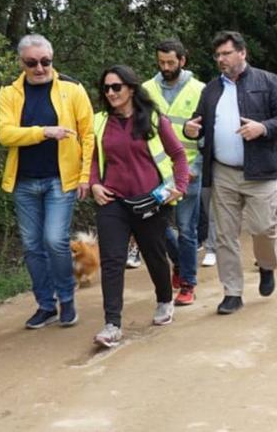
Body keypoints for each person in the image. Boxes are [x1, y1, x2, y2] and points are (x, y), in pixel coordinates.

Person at [183, 31, 277, 315]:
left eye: (226, 54)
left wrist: (263, 128)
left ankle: (267, 266)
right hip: (223, 173)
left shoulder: (268, 81)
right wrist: (190, 130)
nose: (221, 59)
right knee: (225, 235)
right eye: (217, 55)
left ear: (242, 53)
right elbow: (198, 124)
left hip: (261, 172)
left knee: (263, 229)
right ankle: (232, 292)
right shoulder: (210, 91)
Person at [0, 34, 94, 329]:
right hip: (24, 181)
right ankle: (45, 304)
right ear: (21, 62)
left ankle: (66, 299)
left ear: (52, 59)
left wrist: (85, 175)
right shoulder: (9, 93)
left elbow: (88, 134)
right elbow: (5, 134)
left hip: (60, 180)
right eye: (32, 62)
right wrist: (44, 132)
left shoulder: (72, 89)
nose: (39, 68)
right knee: (31, 245)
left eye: (45, 62)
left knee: (54, 240)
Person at [89, 65, 188, 347]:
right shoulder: (98, 122)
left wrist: (178, 187)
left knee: (154, 254)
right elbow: (92, 159)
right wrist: (95, 183)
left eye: (116, 87)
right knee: (112, 260)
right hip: (113, 201)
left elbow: (179, 155)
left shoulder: (154, 119)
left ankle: (164, 299)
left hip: (150, 201)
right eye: (106, 88)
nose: (110, 93)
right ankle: (112, 324)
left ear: (131, 88)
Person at [140, 39, 206, 306]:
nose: (165, 67)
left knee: (187, 230)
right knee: (157, 228)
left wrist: (195, 168)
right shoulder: (145, 89)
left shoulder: (200, 90)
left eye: (170, 62)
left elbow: (207, 135)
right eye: (161, 62)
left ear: (182, 60)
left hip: (189, 170)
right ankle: (178, 262)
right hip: (155, 173)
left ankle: (188, 283)